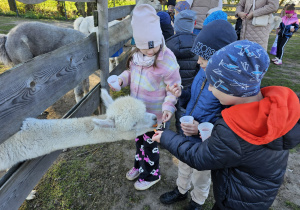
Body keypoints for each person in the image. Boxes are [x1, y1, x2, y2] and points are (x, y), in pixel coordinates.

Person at [152, 39, 300, 209]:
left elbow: (199, 158)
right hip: (250, 195)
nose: (209, 89)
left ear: (233, 88)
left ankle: (195, 201)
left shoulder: (236, 130)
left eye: (214, 84)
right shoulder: (271, 109)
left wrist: (166, 136)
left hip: (236, 202)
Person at [160, 19, 237, 210]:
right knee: (184, 165)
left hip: (206, 141)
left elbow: (226, 120)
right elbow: (194, 95)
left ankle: (197, 201)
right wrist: (181, 94)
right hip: (187, 132)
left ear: (219, 57)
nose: (198, 61)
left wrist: (201, 129)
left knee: (201, 174)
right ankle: (181, 190)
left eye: (204, 57)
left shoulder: (227, 86)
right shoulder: (203, 72)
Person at [109, 4, 181, 191]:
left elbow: (173, 88)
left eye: (153, 46)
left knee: (150, 145)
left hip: (156, 115)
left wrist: (168, 107)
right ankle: (139, 165)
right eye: (144, 48)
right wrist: (121, 80)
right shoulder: (136, 57)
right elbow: (130, 74)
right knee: (139, 140)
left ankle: (152, 174)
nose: (150, 52)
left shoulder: (167, 59)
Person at [165, 9, 198, 135]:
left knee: (166, 110)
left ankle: (163, 136)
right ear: (193, 25)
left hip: (169, 87)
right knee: (183, 111)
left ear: (176, 25)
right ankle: (183, 134)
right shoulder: (199, 43)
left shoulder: (168, 44)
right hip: (188, 87)